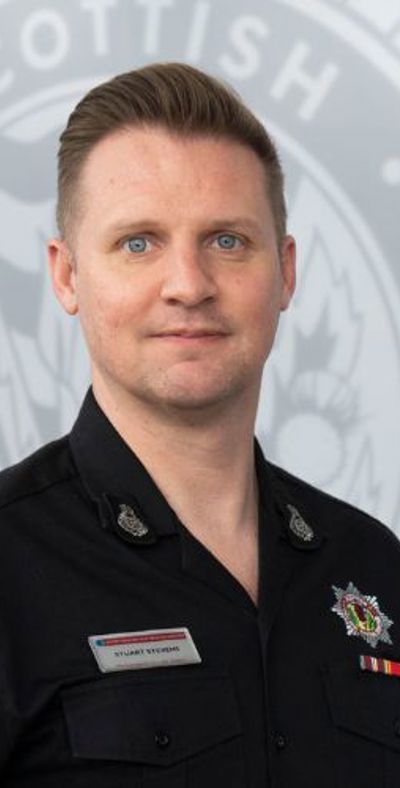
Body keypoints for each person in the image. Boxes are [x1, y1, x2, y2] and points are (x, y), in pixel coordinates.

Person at [0, 62, 399, 788]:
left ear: (285, 272)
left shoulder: (374, 566)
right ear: (66, 276)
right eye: (139, 243)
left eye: (225, 241)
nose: (188, 285)